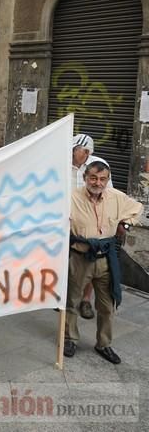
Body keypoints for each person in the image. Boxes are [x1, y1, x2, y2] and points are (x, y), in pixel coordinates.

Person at [63, 161, 142, 365]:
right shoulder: (71, 197)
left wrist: (125, 223)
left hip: (106, 259)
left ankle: (104, 344)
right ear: (85, 178)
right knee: (72, 301)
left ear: (107, 179)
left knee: (108, 305)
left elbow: (137, 208)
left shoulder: (116, 197)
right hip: (80, 258)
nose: (98, 183)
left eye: (102, 179)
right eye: (93, 178)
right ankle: (70, 338)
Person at [70, 133, 112, 320]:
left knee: (90, 259)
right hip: (69, 219)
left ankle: (86, 300)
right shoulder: (65, 163)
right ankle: (69, 295)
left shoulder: (99, 166)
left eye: (76, 151)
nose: (72, 154)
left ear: (86, 152)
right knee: (71, 261)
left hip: (92, 220)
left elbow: (109, 193)